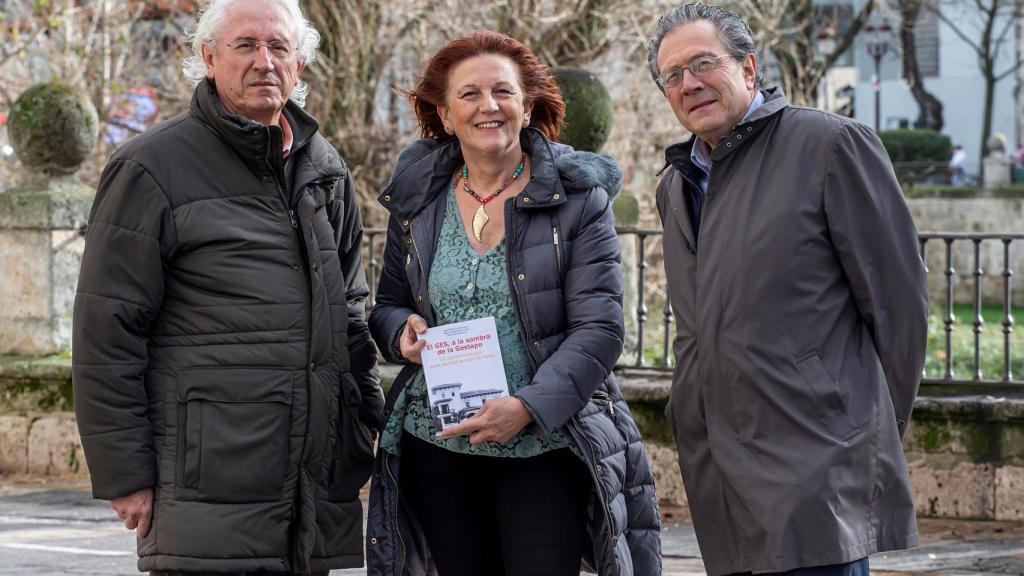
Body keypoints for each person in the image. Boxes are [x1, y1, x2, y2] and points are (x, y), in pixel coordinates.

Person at [71, 0, 383, 574]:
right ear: (208, 58)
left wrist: (366, 414)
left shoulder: (325, 165)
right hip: (203, 479)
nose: (264, 61)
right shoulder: (150, 167)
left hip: (312, 487)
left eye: (280, 47)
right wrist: (124, 472)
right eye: (246, 46)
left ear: (301, 65)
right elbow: (106, 333)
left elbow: (351, 307)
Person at [365, 30, 660, 576]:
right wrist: (398, 330)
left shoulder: (578, 200)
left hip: (544, 445)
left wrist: (527, 407)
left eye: (503, 92)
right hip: (438, 444)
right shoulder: (418, 199)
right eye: (469, 94)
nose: (488, 106)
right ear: (446, 114)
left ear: (526, 106)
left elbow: (600, 329)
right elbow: (388, 304)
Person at [648, 4, 928, 576]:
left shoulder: (829, 145)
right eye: (673, 75)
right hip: (718, 470)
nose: (689, 83)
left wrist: (858, 431)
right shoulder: (676, 185)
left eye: (703, 63)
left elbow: (900, 307)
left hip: (817, 470)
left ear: (748, 68)